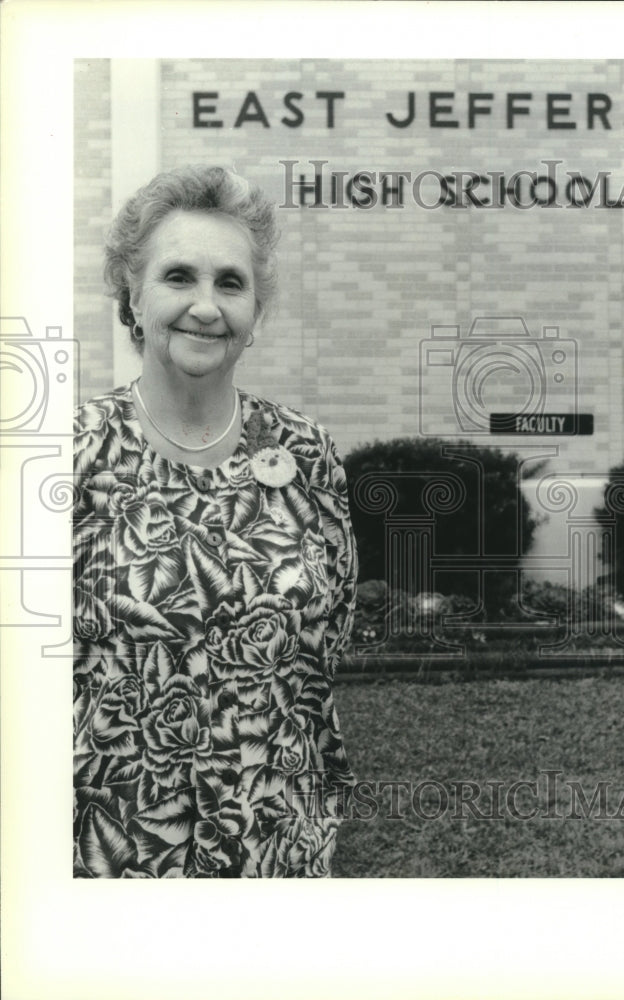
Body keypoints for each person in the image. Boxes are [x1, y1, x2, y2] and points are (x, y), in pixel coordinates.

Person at [72, 165, 358, 878]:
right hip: (116, 851)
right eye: (178, 277)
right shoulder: (65, 454)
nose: (206, 305)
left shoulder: (306, 452)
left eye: (230, 283)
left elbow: (327, 646)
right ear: (132, 298)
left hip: (276, 846)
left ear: (256, 313)